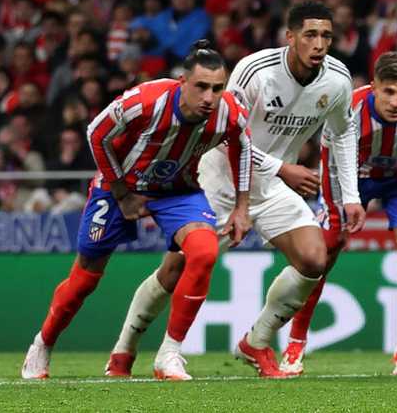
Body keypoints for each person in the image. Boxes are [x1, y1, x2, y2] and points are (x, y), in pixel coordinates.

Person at [104, 1, 362, 379]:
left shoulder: (337, 80)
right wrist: (281, 167)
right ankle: (124, 349)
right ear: (290, 37)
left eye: (326, 35)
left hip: (271, 187)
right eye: (310, 35)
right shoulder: (256, 70)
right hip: (219, 180)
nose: (319, 43)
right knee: (175, 271)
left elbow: (343, 133)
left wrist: (351, 195)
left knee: (313, 259)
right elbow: (226, 134)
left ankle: (256, 342)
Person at [21, 41, 253, 381]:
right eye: (201, 87)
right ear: (182, 82)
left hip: (178, 190)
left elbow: (243, 148)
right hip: (121, 186)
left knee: (203, 252)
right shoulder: (145, 100)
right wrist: (121, 193)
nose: (209, 97)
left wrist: (242, 207)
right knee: (84, 280)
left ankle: (169, 354)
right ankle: (43, 343)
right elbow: (96, 133)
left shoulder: (229, 112)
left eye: (217, 88)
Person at [283, 51, 397, 376]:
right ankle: (295, 344)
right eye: (388, 91)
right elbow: (330, 162)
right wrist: (337, 214)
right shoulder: (349, 111)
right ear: (374, 87)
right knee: (323, 253)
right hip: (352, 177)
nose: (395, 101)